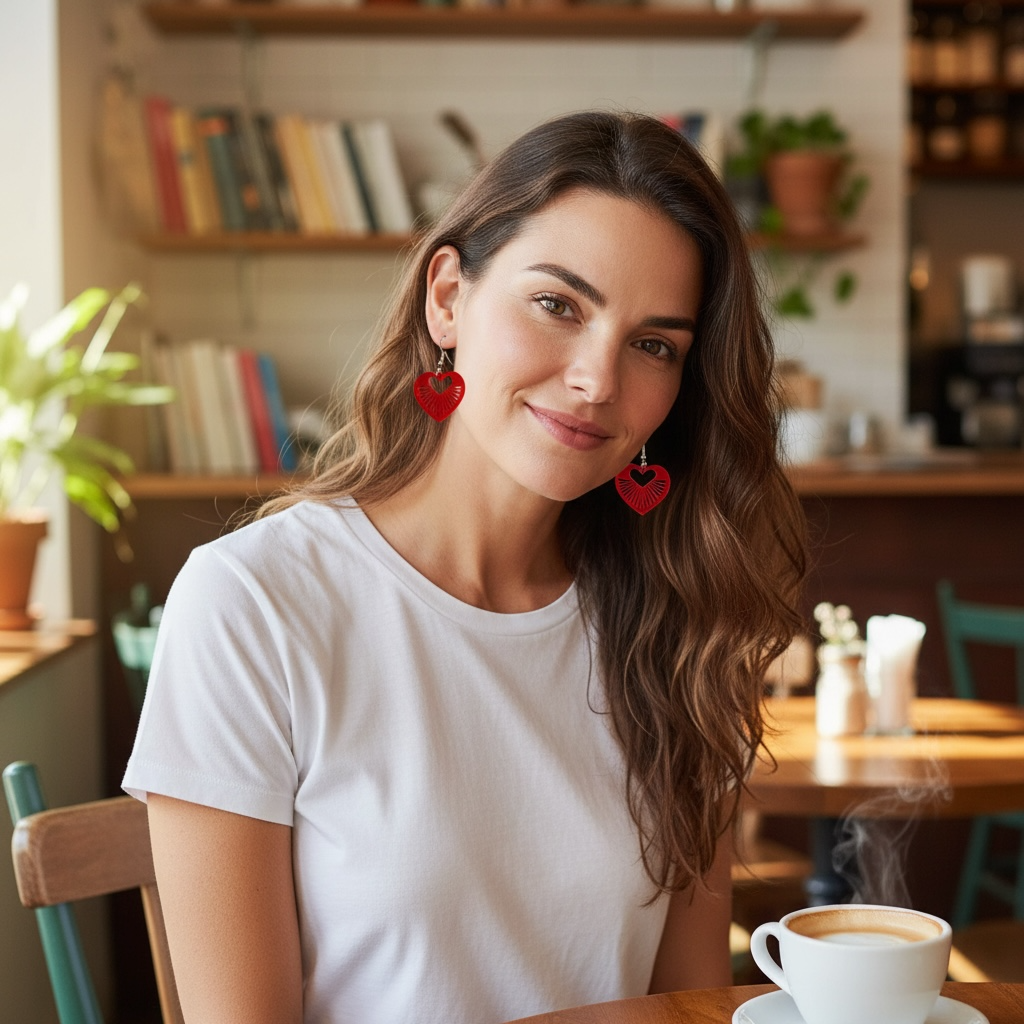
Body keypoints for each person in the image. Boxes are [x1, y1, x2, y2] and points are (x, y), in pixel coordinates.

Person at [123, 109, 806, 1024]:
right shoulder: (254, 601)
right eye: (558, 305)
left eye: (654, 345)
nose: (597, 380)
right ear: (447, 298)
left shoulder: (677, 627)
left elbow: (682, 1009)